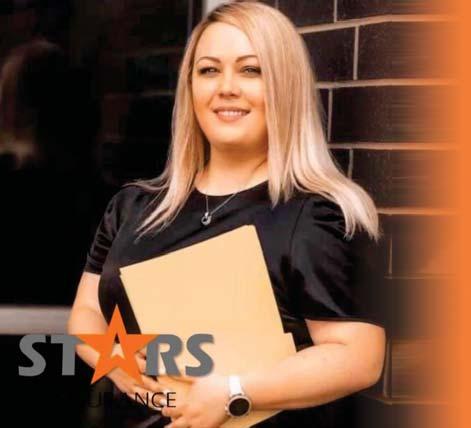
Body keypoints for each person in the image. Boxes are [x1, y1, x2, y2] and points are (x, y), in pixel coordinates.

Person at [68, 2, 387, 428]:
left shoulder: (316, 216)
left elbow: (359, 357)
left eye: (250, 70)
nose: (226, 87)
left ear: (284, 86)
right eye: (209, 70)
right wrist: (115, 356)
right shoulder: (134, 206)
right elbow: (86, 314)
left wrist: (235, 392)